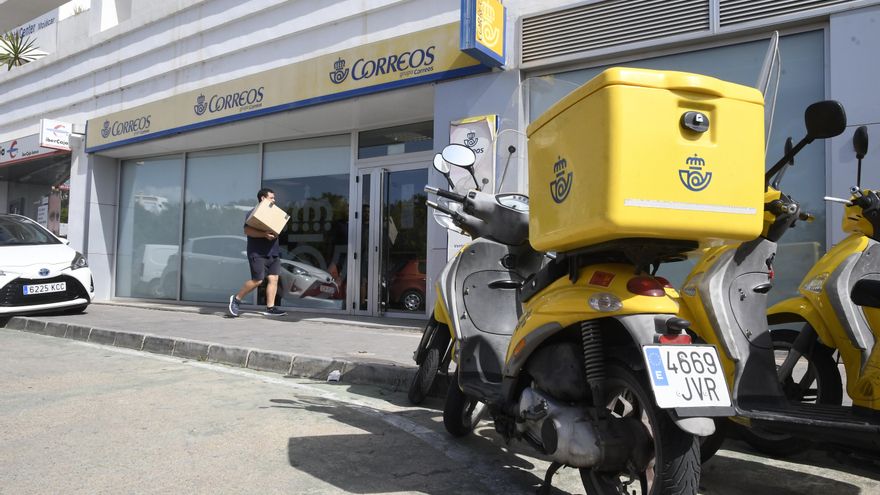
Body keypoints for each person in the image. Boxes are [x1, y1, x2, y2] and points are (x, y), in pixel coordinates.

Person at [228, 188, 287, 317]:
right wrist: (264, 234)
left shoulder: (274, 214)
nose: (274, 200)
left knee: (274, 278)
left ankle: (270, 308)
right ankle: (236, 299)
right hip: (258, 253)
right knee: (258, 280)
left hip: (273, 252)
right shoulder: (252, 213)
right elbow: (248, 231)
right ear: (263, 198)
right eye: (271, 198)